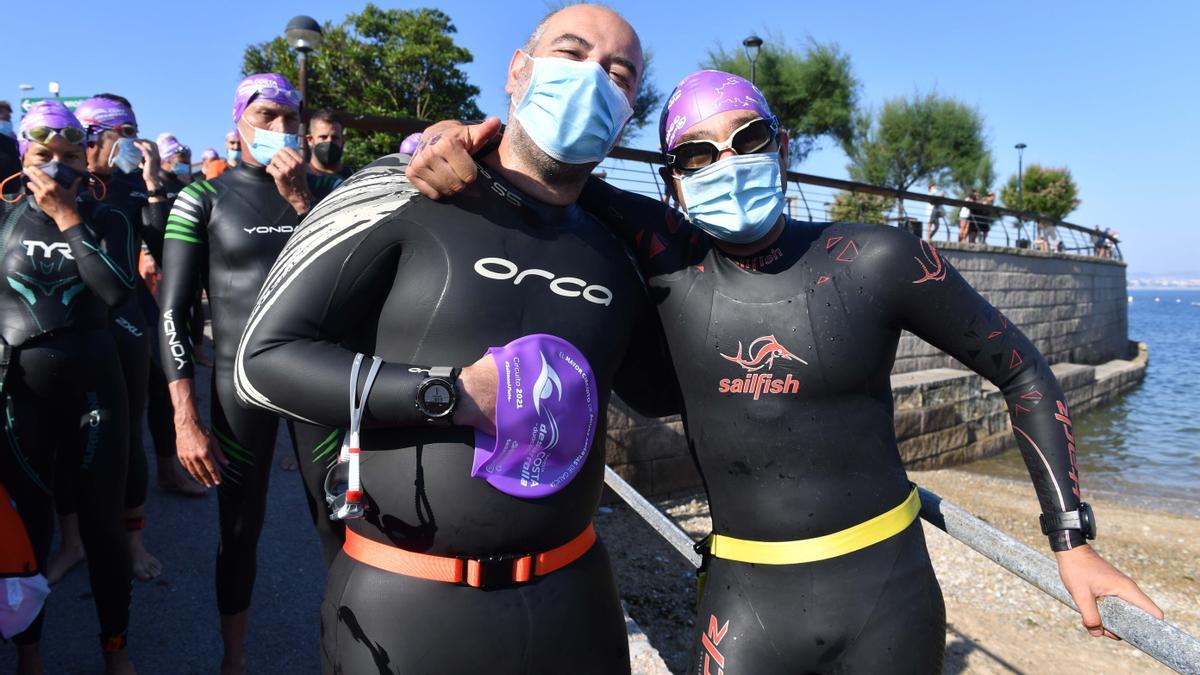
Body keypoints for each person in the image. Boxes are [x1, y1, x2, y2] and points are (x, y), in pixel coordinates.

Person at [409, 68, 1163, 673]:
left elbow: (1024, 372)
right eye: (697, 155)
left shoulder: (878, 259)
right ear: (672, 180)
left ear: (784, 145)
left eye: (749, 138)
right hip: (745, 605)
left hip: (889, 597)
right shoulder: (665, 255)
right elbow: (537, 169)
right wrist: (450, 137)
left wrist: (1073, 542)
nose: (726, 164)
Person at [234, 7, 675, 672]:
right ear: (517, 71)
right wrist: (449, 394)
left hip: (575, 602)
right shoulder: (402, 186)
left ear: (629, 108)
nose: (591, 80)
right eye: (571, 53)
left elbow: (666, 391)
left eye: (617, 74)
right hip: (404, 609)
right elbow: (260, 362)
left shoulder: (619, 249)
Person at [157, 73, 343, 673]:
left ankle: (346, 654)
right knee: (239, 528)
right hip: (241, 384)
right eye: (266, 117)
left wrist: (300, 202)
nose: (281, 130)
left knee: (338, 527)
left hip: (316, 382)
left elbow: (347, 282)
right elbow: (174, 310)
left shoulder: (326, 191)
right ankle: (233, 660)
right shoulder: (202, 199)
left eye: (291, 119)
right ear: (238, 122)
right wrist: (185, 416)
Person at [0, 99, 137, 675]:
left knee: (104, 529)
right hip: (19, 396)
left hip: (94, 394)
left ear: (87, 161)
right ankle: (29, 655)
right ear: (22, 158)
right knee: (26, 531)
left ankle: (115, 651)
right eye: (44, 154)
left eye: (69, 155)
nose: (56, 166)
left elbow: (115, 293)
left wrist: (67, 218)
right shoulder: (3, 217)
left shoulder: (107, 219)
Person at [45, 94, 193, 586]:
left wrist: (152, 185)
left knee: (128, 432)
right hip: (67, 319)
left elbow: (161, 246)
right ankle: (72, 541)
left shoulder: (130, 184)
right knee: (65, 436)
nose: (132, 142)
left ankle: (133, 541)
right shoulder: (48, 186)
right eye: (123, 133)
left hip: (127, 314)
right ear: (93, 135)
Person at [306, 109, 351, 179]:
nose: (329, 141)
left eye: (335, 137)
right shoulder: (300, 177)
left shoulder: (354, 178)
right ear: (310, 140)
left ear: (343, 140)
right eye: (323, 137)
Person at [0, 100, 19, 195]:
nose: (8, 122)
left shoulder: (12, 143)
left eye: (9, 119)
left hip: (9, 200)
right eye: (5, 119)